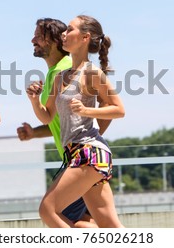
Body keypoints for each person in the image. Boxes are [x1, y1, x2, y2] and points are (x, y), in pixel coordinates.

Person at [26, 15, 125, 228]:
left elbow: (119, 109)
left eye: (69, 30)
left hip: (89, 153)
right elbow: (47, 116)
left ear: (84, 37)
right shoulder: (60, 76)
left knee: (48, 210)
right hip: (75, 153)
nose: (64, 34)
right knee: (104, 227)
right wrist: (34, 101)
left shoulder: (91, 73)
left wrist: (87, 110)